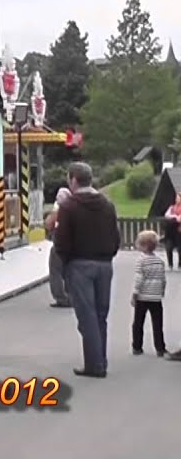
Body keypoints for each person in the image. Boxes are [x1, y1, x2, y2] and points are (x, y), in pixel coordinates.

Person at [53, 162, 120, 377]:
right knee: (101, 314)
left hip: (79, 264)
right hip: (104, 264)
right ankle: (101, 358)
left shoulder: (69, 207)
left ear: (73, 180)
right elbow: (115, 236)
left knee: (87, 315)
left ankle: (95, 365)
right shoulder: (107, 205)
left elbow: (61, 240)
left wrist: (64, 264)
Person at [130, 230, 167, 357]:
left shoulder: (141, 261)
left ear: (143, 246)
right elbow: (163, 279)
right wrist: (162, 291)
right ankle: (160, 348)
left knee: (138, 322)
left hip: (143, 297)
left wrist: (135, 294)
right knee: (157, 323)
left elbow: (139, 278)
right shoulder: (159, 261)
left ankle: (137, 346)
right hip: (156, 298)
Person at [45, 188, 73, 308]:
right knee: (69, 271)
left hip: (59, 245)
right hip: (73, 246)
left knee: (55, 271)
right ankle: (71, 296)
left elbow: (49, 224)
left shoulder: (58, 210)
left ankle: (61, 297)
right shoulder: (75, 208)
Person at [164, 195, 181, 269]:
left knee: (180, 248)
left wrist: (173, 217)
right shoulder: (172, 207)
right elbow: (167, 215)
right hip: (170, 231)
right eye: (176, 198)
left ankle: (180, 264)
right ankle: (170, 264)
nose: (176, 199)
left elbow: (179, 219)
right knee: (168, 247)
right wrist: (174, 216)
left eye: (178, 198)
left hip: (179, 230)